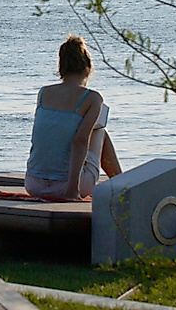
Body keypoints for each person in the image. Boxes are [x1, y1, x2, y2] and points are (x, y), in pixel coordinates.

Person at [25, 35, 122, 199]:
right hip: (65, 186)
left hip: (33, 184)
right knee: (99, 132)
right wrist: (72, 188)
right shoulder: (92, 98)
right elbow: (80, 141)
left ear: (61, 67)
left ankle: (121, 182)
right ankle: (122, 184)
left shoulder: (44, 93)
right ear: (88, 68)